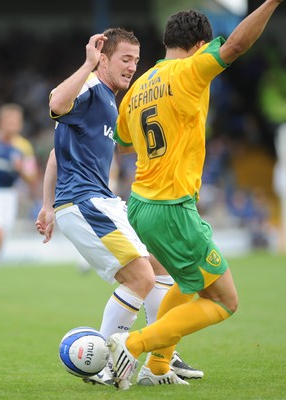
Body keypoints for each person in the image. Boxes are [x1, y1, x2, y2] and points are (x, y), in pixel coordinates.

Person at [106, 0, 284, 390]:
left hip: (141, 204)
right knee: (223, 301)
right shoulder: (190, 71)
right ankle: (133, 344)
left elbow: (121, 144)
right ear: (201, 44)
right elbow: (235, 46)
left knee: (189, 284)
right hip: (171, 207)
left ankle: (159, 367)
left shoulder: (139, 86)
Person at [35, 28, 202, 386]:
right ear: (104, 59)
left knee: (161, 266)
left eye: (136, 60)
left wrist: (46, 205)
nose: (132, 66)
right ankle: (110, 365)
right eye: (125, 59)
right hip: (84, 201)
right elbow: (55, 104)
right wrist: (87, 64)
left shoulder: (110, 99)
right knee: (140, 276)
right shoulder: (91, 86)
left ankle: (162, 357)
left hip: (98, 199)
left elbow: (55, 153)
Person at [0, 103, 38, 269]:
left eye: (15, 122)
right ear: (0, 122)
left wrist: (21, 169)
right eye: (8, 121)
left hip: (9, 195)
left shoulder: (23, 147)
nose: (12, 125)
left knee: (1, 238)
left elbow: (32, 177)